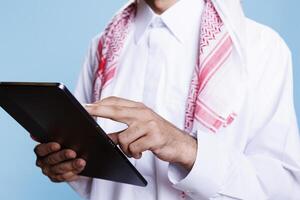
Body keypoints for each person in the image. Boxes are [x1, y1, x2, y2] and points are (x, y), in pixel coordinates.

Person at [33, 0, 300, 199]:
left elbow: (284, 189)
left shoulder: (260, 48)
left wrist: (186, 149)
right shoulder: (102, 46)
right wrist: (68, 166)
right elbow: (94, 178)